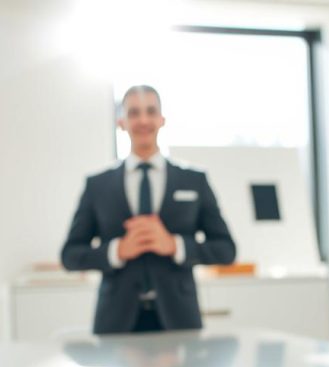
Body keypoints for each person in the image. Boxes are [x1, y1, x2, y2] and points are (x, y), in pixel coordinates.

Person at [61, 85, 236, 334]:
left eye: (150, 111)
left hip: (179, 321)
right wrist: (116, 251)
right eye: (134, 113)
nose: (143, 120)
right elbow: (70, 255)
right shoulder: (97, 186)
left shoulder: (194, 181)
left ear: (162, 119)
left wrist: (175, 245)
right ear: (121, 122)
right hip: (115, 323)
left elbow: (226, 250)